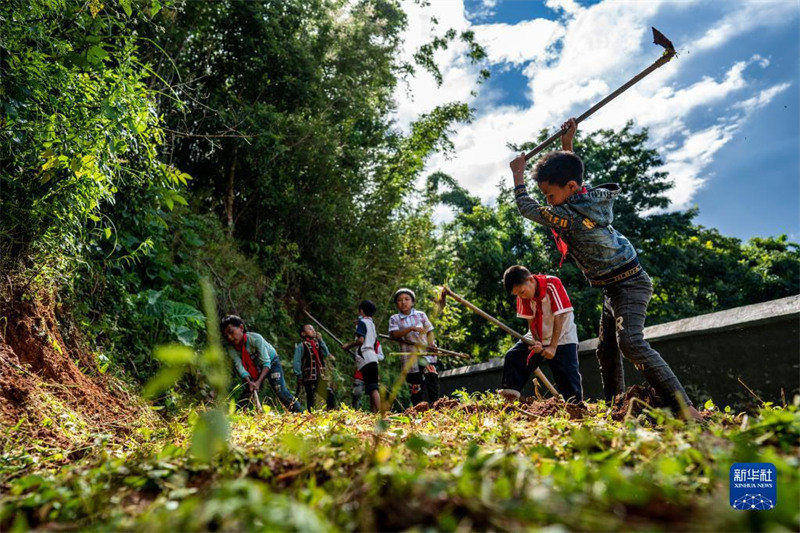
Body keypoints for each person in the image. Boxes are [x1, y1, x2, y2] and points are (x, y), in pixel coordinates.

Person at [509, 118, 701, 419]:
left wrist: (518, 175)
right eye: (546, 196)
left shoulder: (569, 215)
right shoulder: (583, 199)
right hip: (612, 287)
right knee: (606, 350)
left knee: (631, 343)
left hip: (630, 284)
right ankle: (617, 406)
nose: (548, 202)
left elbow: (527, 209)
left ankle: (684, 407)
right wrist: (567, 144)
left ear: (569, 188)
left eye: (550, 196)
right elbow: (571, 176)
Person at [499, 266, 583, 402]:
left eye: (522, 292)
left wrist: (553, 347)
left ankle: (576, 407)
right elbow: (531, 320)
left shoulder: (552, 284)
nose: (521, 296)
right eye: (517, 294)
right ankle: (510, 398)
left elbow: (560, 316)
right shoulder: (523, 295)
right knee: (513, 356)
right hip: (538, 333)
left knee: (568, 381)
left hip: (562, 335)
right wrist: (537, 340)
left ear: (531, 280)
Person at [220, 315, 302, 413]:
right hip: (253, 368)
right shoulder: (231, 349)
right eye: (226, 335)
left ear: (241, 328)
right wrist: (250, 382)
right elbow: (240, 366)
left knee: (280, 390)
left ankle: (300, 413)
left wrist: (258, 382)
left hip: (271, 362)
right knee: (248, 392)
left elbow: (266, 362)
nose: (229, 337)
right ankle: (236, 414)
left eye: (231, 332)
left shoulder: (255, 339)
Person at [388, 288, 439, 406]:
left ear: (412, 302)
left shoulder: (421, 315)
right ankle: (419, 409)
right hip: (409, 356)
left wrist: (431, 344)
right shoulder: (394, 318)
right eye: (400, 300)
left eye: (407, 299)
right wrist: (410, 329)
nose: (403, 302)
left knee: (431, 376)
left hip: (424, 353)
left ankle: (435, 405)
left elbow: (429, 331)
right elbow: (394, 335)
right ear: (396, 304)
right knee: (416, 385)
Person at [342, 300, 382, 412]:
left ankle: (381, 413)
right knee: (372, 387)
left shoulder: (362, 323)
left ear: (361, 311)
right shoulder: (372, 324)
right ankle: (375, 414)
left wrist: (348, 346)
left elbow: (360, 340)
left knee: (373, 388)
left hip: (365, 357)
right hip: (373, 358)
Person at [292, 324, 336, 410]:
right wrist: (299, 374)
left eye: (313, 329)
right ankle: (310, 413)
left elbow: (326, 353)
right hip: (307, 376)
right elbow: (296, 361)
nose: (313, 331)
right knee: (310, 396)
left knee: (328, 393)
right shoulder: (302, 345)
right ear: (303, 334)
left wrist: (321, 340)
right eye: (310, 329)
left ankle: (331, 411)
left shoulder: (318, 344)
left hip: (319, 375)